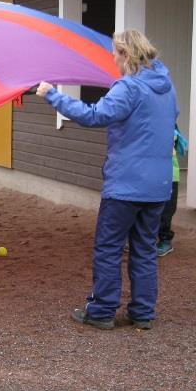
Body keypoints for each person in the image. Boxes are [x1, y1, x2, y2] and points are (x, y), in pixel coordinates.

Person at [36, 30, 178, 331]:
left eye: (115, 53)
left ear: (127, 55)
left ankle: (101, 310)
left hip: (126, 186)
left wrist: (52, 94)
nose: (113, 58)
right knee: (144, 249)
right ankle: (142, 313)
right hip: (158, 188)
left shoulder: (128, 88)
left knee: (109, 248)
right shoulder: (167, 88)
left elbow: (93, 115)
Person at [157, 127, 188, 257]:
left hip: (169, 176)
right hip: (151, 174)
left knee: (166, 211)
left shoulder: (170, 129)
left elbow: (180, 148)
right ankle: (140, 239)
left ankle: (165, 239)